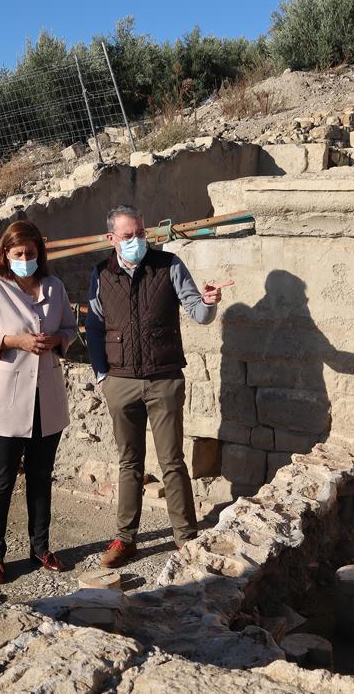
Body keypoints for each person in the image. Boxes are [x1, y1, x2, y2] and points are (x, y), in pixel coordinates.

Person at [85, 204, 233, 568]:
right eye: (127, 235)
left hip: (164, 379)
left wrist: (210, 301)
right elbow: (94, 328)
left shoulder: (168, 266)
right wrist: (102, 376)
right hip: (120, 382)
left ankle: (186, 539)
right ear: (111, 239)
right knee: (128, 462)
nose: (136, 240)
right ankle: (125, 538)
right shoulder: (100, 274)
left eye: (140, 233)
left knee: (172, 461)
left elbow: (197, 312)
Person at [0, 220, 78, 584]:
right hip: (4, 403)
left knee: (41, 478)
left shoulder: (55, 287)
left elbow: (70, 329)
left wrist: (56, 341)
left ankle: (40, 547)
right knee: (1, 480)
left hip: (45, 399)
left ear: (39, 254)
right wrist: (14, 341)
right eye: (18, 254)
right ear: (6, 255)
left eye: (31, 253)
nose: (26, 259)